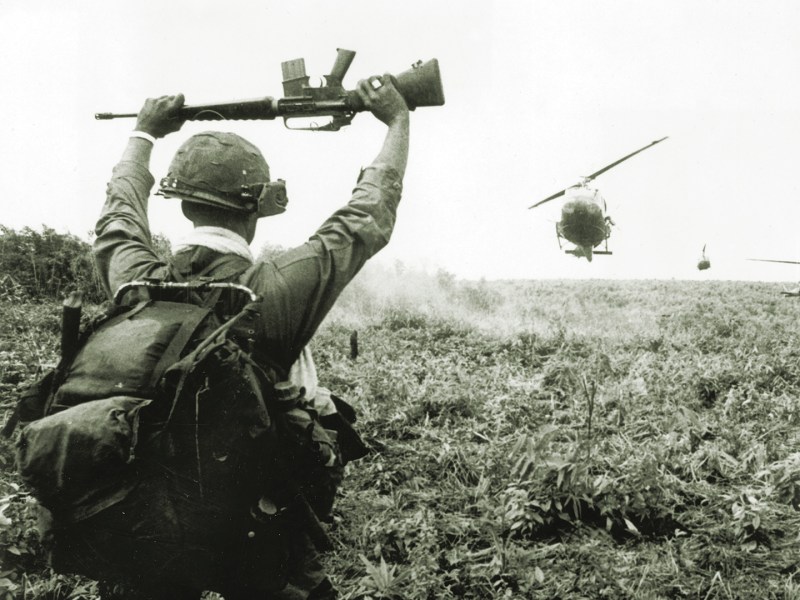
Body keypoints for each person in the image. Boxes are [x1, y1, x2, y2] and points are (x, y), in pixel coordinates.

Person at [85, 74, 410, 599]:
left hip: (151, 516)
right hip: (254, 525)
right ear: (255, 207)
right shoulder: (272, 292)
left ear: (183, 204)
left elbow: (117, 216)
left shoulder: (135, 282)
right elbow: (365, 219)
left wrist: (143, 134)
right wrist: (396, 120)